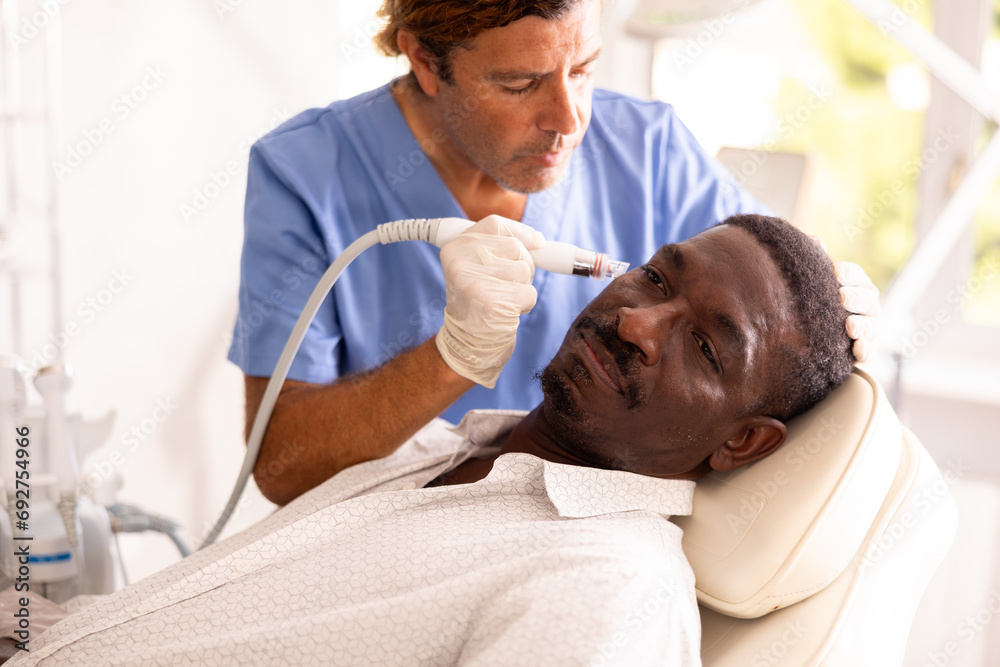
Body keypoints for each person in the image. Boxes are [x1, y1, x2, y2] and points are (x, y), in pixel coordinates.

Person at [8, 215, 854, 666]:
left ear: (744, 442)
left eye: (705, 346)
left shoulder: (610, 589)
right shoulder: (439, 452)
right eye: (657, 276)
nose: (637, 320)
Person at [227, 0, 879, 506]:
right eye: (520, 83)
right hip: (384, 534)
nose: (569, 120)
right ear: (425, 61)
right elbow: (283, 465)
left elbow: (776, 313)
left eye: (584, 69)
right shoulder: (308, 174)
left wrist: (844, 300)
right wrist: (453, 357)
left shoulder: (647, 150)